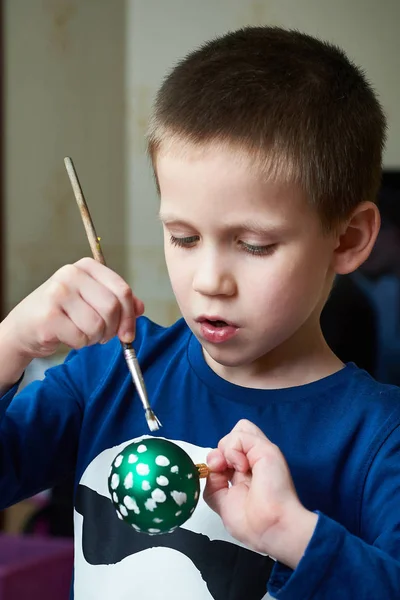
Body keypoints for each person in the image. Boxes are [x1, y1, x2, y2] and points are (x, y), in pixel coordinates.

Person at [0, 26, 398, 600]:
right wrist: (11, 344)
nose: (209, 281)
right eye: (183, 237)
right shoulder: (105, 377)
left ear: (348, 239)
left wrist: (292, 535)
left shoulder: (380, 439)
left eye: (255, 245)